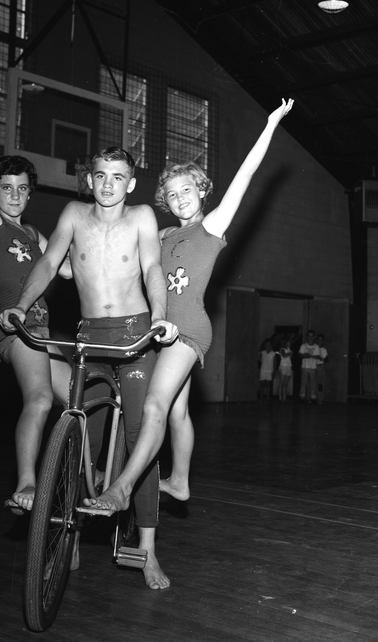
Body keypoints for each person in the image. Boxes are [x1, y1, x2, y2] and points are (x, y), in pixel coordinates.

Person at [83, 98, 294, 517]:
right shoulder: (159, 236)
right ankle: (179, 481)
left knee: (155, 406)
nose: (180, 198)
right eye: (171, 193)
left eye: (188, 190)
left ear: (202, 190)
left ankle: (123, 487)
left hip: (189, 328)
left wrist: (270, 125)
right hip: (155, 328)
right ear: (163, 199)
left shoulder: (211, 228)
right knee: (177, 412)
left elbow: (246, 175)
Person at [0, 146, 178, 590]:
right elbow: (47, 261)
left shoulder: (141, 218)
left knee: (140, 436)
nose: (108, 184)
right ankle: (68, 534)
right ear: (90, 180)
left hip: (135, 333)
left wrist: (159, 314)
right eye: (101, 176)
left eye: (118, 177)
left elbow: (153, 266)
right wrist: (21, 305)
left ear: (130, 183)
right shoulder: (74, 214)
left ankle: (148, 551)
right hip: (90, 336)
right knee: (83, 438)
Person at [0, 91, 72, 517]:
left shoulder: (37, 237)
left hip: (41, 334)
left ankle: (77, 496)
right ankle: (26, 481)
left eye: (23, 189)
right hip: (16, 329)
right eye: (6, 188)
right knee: (39, 400)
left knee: (86, 397)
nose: (15, 195)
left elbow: (69, 271)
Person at [299, 329, 320, 402]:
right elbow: (300, 355)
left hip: (313, 367)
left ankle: (313, 397)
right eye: (309, 336)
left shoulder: (316, 346)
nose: (310, 338)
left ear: (314, 337)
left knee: (313, 382)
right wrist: (305, 355)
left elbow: (318, 356)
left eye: (312, 336)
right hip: (305, 366)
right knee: (303, 382)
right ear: (307, 337)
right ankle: (302, 396)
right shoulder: (303, 346)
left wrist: (309, 356)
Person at [315, 334, 328, 403]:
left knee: (320, 384)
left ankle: (320, 399)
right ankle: (313, 398)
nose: (319, 341)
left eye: (321, 340)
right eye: (318, 340)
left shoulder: (323, 350)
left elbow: (326, 360)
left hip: (320, 367)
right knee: (314, 383)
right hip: (313, 366)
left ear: (323, 341)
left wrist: (322, 357)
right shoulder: (314, 348)